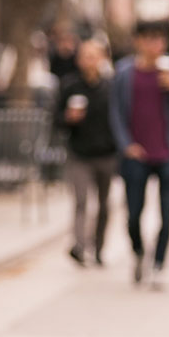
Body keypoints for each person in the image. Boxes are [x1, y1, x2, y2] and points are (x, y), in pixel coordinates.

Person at [110, 20, 169, 288]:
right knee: (133, 214)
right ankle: (137, 252)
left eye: (158, 40)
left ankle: (158, 266)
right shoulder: (124, 72)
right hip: (136, 155)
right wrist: (126, 145)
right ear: (139, 42)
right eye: (149, 40)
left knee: (167, 214)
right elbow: (116, 114)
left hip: (167, 152)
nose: (154, 46)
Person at [54, 39, 119, 267]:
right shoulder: (70, 86)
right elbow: (56, 120)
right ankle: (79, 246)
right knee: (81, 201)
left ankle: (99, 247)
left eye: (93, 56)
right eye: (84, 56)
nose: (88, 61)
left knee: (104, 204)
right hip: (79, 153)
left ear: (102, 58)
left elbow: (120, 119)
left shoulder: (111, 87)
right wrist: (68, 119)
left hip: (106, 153)